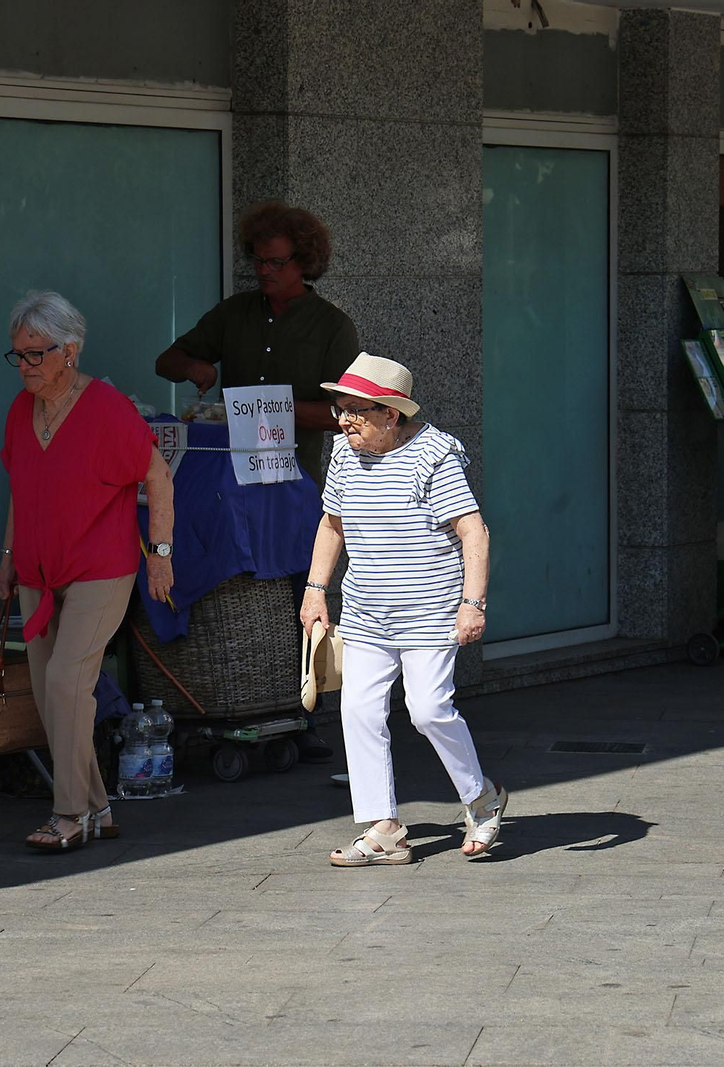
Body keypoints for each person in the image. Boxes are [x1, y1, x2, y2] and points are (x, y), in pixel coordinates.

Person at [155, 200, 361, 763]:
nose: (265, 272)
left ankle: (308, 712)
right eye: (258, 262)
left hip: (296, 484)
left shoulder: (332, 326)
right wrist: (195, 367)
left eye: (276, 262)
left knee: (305, 594)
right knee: (243, 592)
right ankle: (238, 695)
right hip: (234, 484)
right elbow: (166, 360)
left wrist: (275, 409)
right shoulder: (236, 313)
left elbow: (346, 413)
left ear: (304, 263)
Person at [298, 354, 505, 865]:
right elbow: (332, 525)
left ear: (391, 414)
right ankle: (383, 828)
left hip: (430, 610)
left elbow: (472, 531)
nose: (342, 420)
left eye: (355, 411)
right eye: (339, 408)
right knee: (359, 711)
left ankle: (481, 799)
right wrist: (315, 589)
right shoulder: (346, 453)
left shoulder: (433, 456)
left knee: (429, 709)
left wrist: (472, 604)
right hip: (368, 610)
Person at [0, 290, 175, 850]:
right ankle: (98, 806)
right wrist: (7, 560)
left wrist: (161, 555)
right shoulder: (21, 411)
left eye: (34, 354)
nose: (24, 366)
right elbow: (20, 494)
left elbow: (157, 478)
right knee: (56, 697)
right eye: (17, 355)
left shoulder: (105, 407)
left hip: (101, 567)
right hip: (38, 570)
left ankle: (69, 815)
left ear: (68, 351)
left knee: (65, 683)